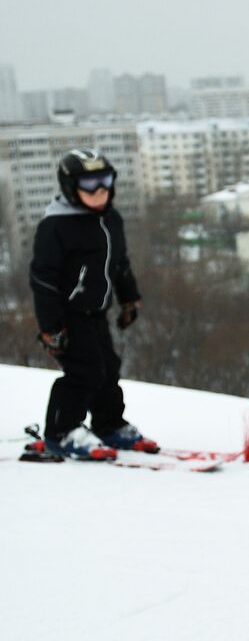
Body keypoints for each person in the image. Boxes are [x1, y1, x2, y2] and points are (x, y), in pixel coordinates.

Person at [30, 150, 152, 458]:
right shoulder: (56, 226)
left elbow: (119, 264)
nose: (100, 191)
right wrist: (51, 327)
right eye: (89, 185)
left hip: (97, 310)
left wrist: (128, 299)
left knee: (108, 369)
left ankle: (108, 424)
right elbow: (43, 279)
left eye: (105, 181)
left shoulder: (111, 219)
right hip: (68, 315)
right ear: (70, 187)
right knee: (85, 372)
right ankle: (61, 432)